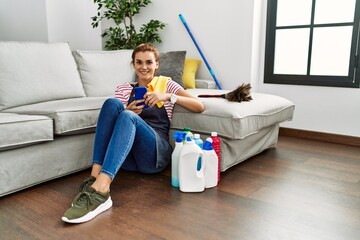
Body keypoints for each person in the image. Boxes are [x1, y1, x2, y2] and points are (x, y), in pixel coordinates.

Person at [62, 43, 204, 223]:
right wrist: (126, 110)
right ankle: (94, 177)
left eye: (149, 62)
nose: (144, 67)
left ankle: (102, 191)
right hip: (127, 160)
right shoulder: (123, 89)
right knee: (112, 104)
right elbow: (115, 122)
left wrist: (167, 96)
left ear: (157, 64)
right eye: (139, 62)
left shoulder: (166, 84)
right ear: (133, 65)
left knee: (127, 116)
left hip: (154, 154)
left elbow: (199, 106)